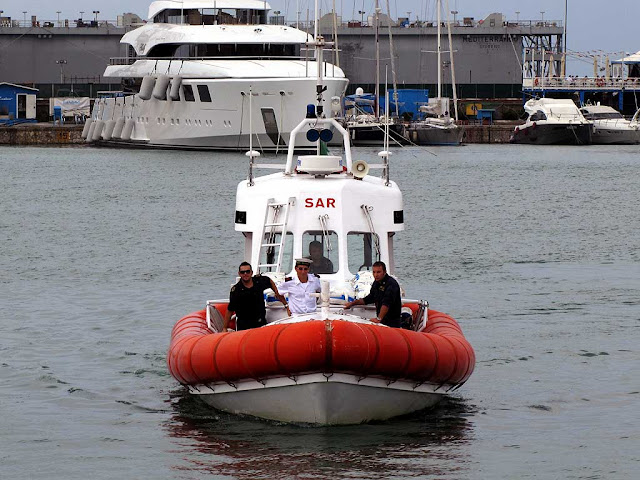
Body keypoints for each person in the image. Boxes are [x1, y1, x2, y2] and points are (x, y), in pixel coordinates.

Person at [223, 262, 287, 331]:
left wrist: (276, 292)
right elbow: (230, 310)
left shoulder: (259, 282)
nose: (245, 274)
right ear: (239, 274)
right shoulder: (236, 290)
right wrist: (224, 328)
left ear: (251, 272)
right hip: (244, 326)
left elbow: (269, 281)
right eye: (243, 272)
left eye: (247, 271)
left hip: (260, 323)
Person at [344, 261, 402, 327]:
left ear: (384, 272)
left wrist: (378, 318)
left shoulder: (391, 284)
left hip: (392, 322)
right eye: (374, 272)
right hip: (382, 321)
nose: (376, 275)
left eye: (378, 272)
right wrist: (352, 303)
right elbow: (369, 298)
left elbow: (386, 303)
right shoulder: (376, 283)